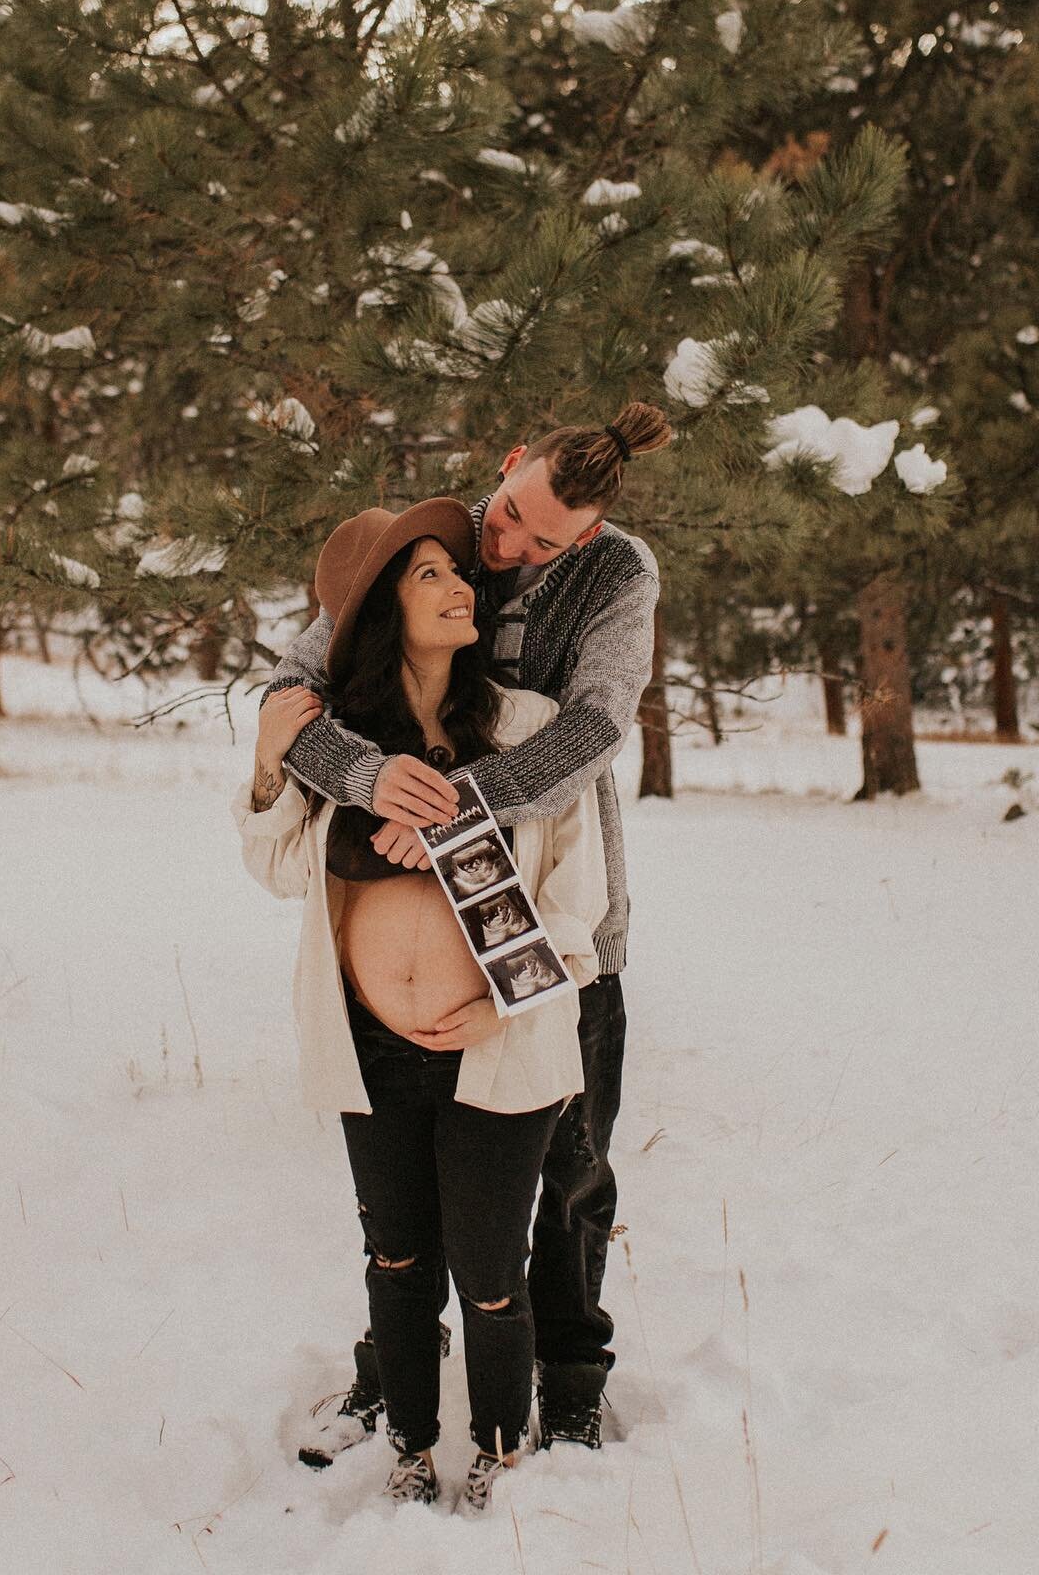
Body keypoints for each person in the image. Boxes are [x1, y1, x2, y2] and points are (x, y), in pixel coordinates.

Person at [272, 402, 672, 1458]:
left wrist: (460, 805)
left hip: (554, 894)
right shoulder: (439, 538)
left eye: (545, 543)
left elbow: (594, 726)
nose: (511, 552)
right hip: (404, 904)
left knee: (570, 1168)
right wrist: (367, 779)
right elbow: (293, 686)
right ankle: (393, 1372)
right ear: (507, 468)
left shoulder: (617, 576)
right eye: (514, 520)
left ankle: (571, 1375)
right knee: (410, 1188)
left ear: (585, 538)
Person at [232, 499, 609, 1513]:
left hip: (499, 1049)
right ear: (379, 611)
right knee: (396, 1258)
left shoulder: (530, 731)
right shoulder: (341, 750)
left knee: (491, 1272)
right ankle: (407, 1444)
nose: (460, 588)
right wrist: (270, 757)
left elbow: (580, 901)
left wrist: (504, 1008)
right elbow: (272, 868)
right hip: (371, 1049)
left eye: (458, 571)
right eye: (429, 575)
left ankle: (499, 1449)